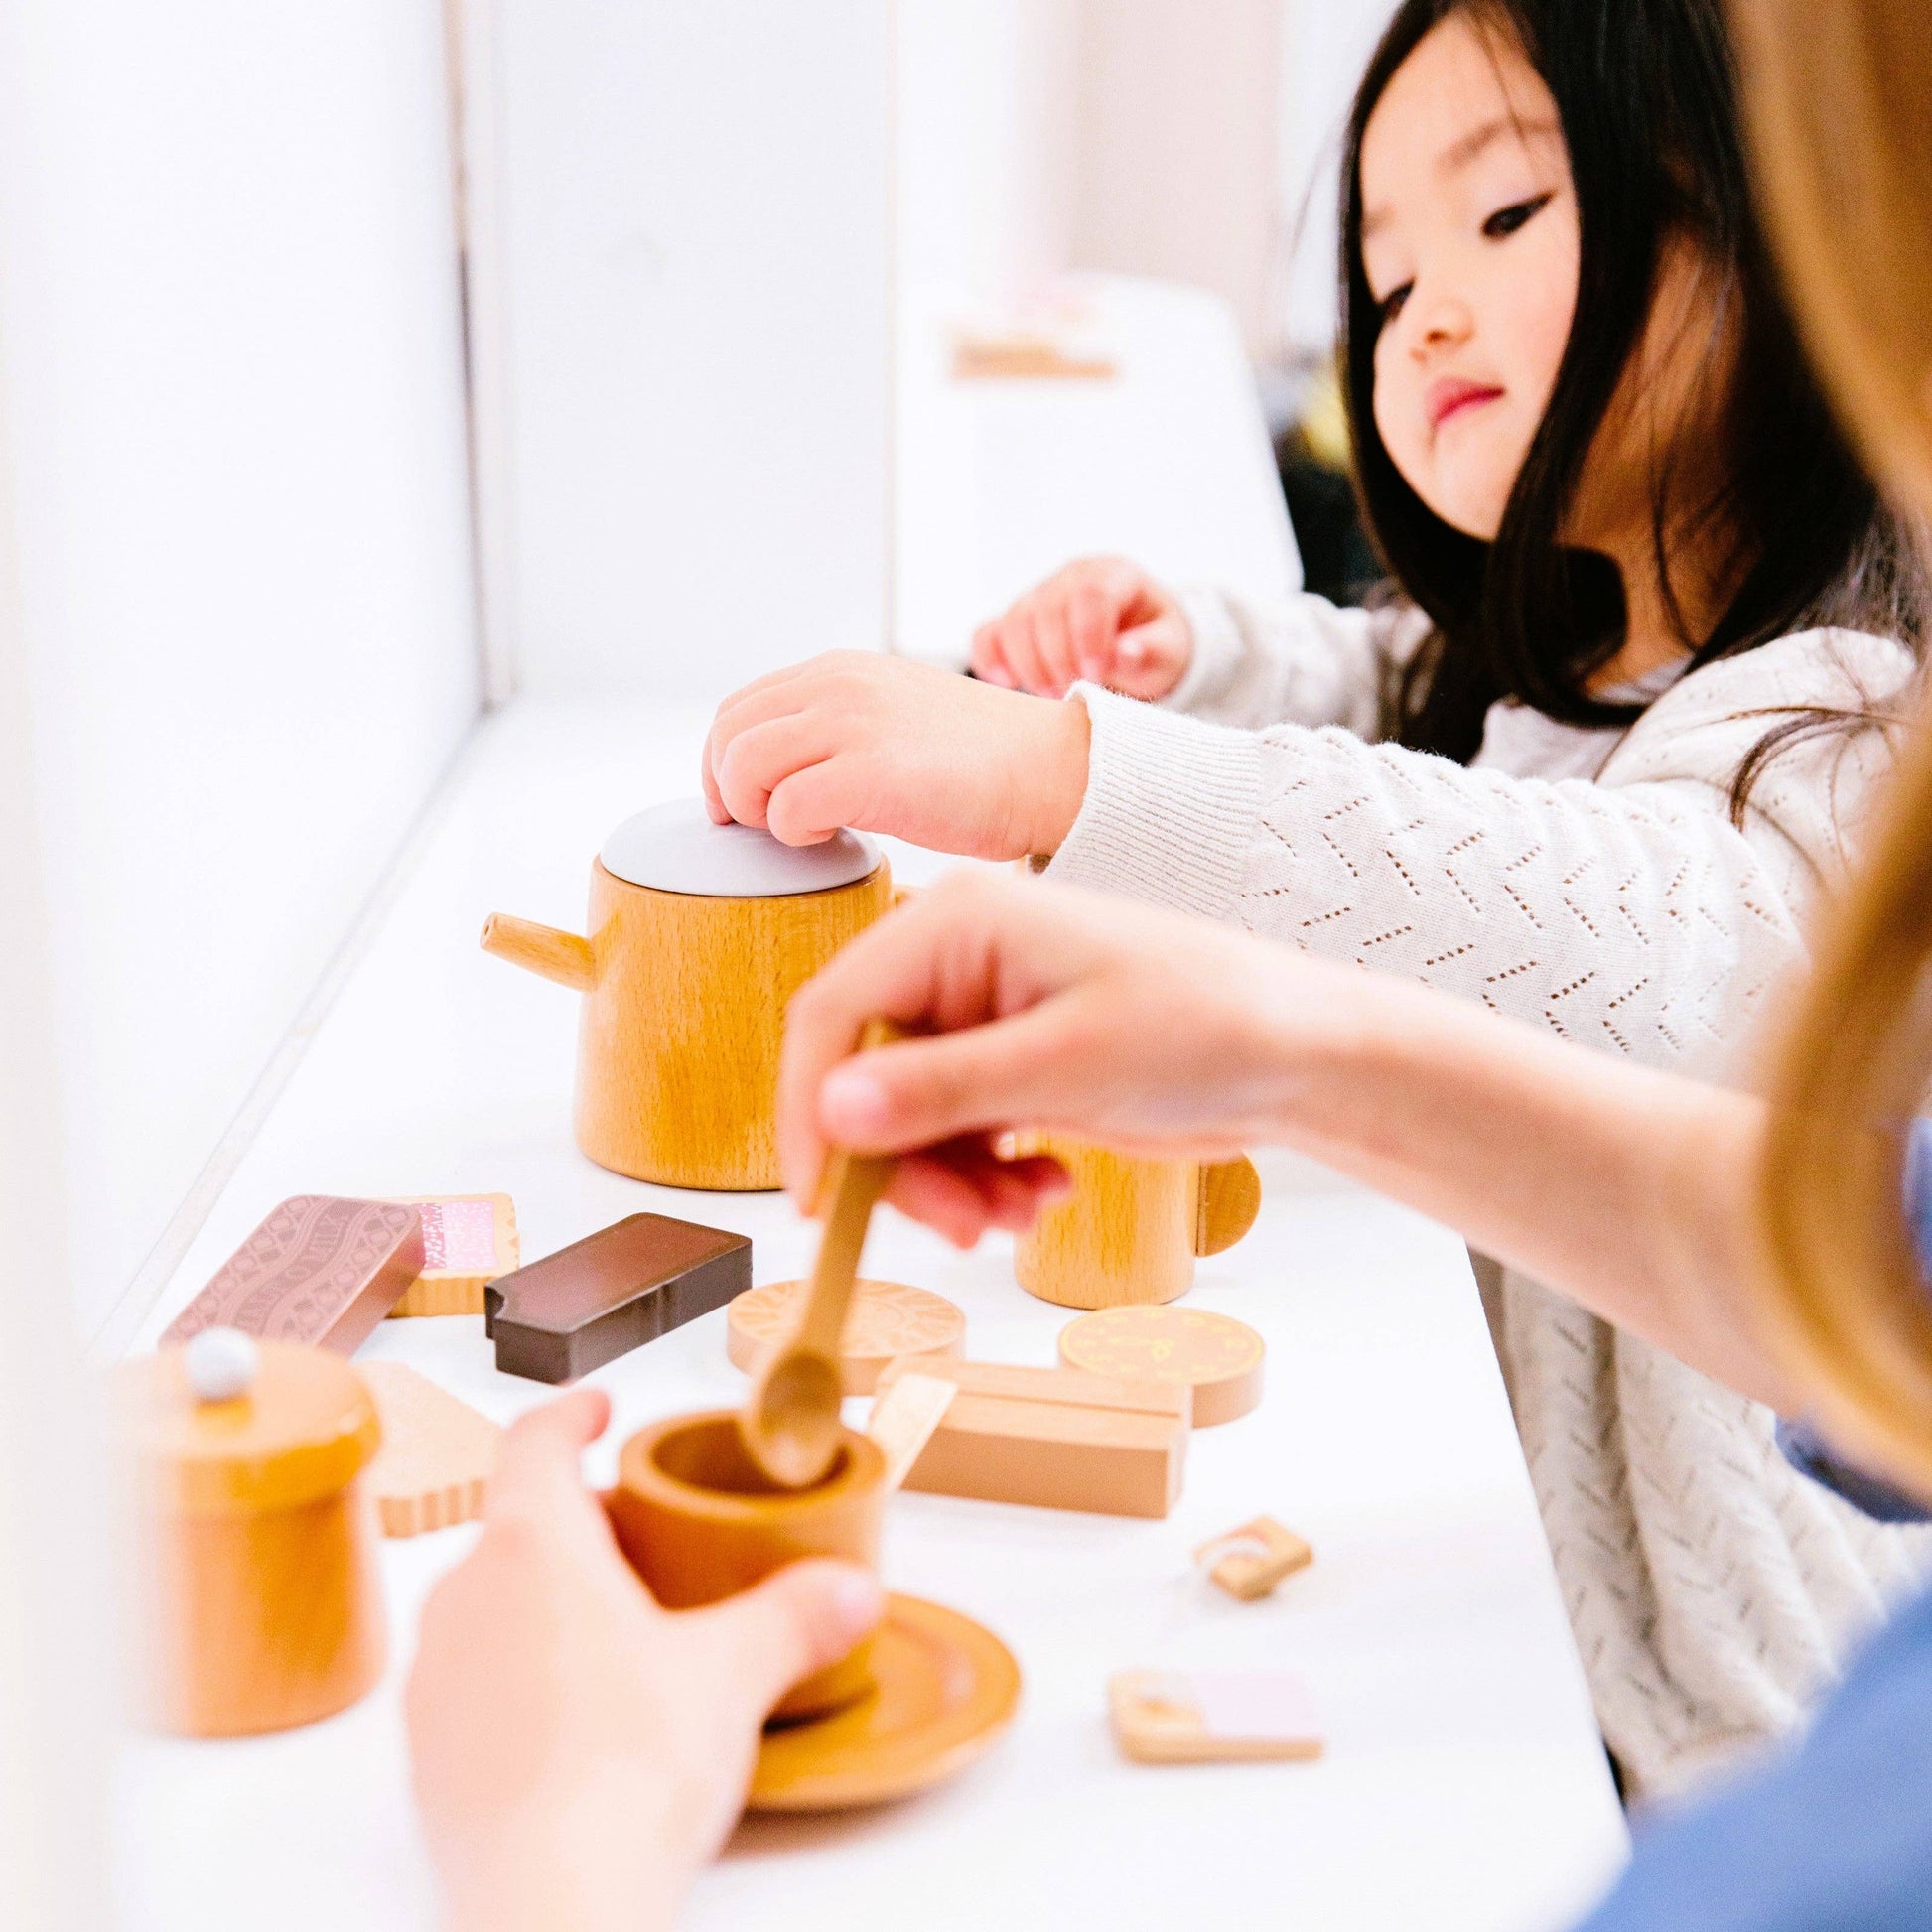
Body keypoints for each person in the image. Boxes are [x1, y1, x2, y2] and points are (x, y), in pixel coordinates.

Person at [401, 0, 1932, 1922]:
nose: (1422, 315)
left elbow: (1652, 929)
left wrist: (1075, 768)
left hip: (1724, 1719)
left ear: (1798, 237)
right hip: (1542, 1644)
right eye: (1381, 279)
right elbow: (1391, 694)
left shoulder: (1844, 718)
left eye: (1509, 212)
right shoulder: (1567, 651)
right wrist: (1180, 653)